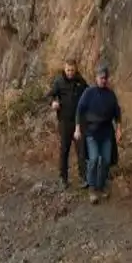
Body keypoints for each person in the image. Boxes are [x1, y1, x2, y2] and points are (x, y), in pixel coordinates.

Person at [75, 66, 121, 205]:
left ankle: (101, 184)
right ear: (96, 78)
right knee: (94, 159)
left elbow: (117, 113)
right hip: (92, 132)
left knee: (106, 161)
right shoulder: (89, 93)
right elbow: (79, 110)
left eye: (105, 78)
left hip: (106, 133)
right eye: (101, 78)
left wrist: (119, 129)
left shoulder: (110, 94)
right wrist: (77, 129)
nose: (103, 80)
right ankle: (92, 188)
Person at [46, 59, 90, 189]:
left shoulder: (80, 81)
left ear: (76, 69)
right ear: (64, 69)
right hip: (65, 122)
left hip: (79, 122)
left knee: (81, 150)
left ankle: (84, 177)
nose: (70, 72)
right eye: (68, 70)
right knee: (64, 149)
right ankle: (63, 178)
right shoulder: (59, 81)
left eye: (72, 70)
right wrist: (53, 102)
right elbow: (49, 95)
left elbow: (88, 95)